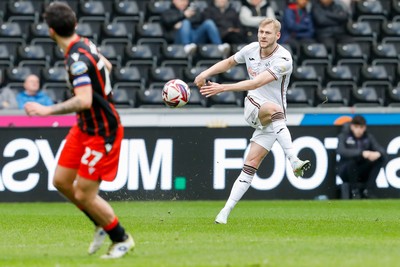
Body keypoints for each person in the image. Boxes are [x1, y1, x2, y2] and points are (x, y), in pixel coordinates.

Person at [24, 2, 134, 259]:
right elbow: (107, 66)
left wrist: (47, 110)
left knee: (85, 193)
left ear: (51, 31)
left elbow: (84, 100)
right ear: (74, 24)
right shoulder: (86, 44)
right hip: (84, 126)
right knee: (61, 181)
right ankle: (99, 222)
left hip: (102, 130)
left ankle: (121, 238)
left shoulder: (76, 60)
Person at [194, 18, 311, 224]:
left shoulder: (284, 59)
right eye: (260, 32)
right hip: (254, 105)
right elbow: (230, 62)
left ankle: (224, 212)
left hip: (274, 120)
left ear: (277, 36)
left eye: (267, 33)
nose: (262, 36)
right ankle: (294, 160)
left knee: (251, 164)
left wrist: (222, 87)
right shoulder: (251, 49)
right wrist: (206, 72)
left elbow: (257, 81)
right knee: (275, 110)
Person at [336, 115, 387, 199]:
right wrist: (361, 153)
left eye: (361, 127)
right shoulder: (344, 136)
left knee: (380, 159)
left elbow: (381, 150)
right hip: (345, 170)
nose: (359, 130)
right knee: (351, 163)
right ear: (352, 126)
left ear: (365, 128)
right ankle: (354, 191)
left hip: (361, 170)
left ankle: (368, 190)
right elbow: (341, 150)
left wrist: (378, 153)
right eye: (356, 127)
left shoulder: (368, 137)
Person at [160, 0, 230, 55]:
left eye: (185, 0)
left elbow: (199, 19)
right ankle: (186, 46)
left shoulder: (192, 10)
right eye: (181, 0)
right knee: (186, 22)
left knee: (208, 23)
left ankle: (219, 46)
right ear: (174, 1)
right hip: (178, 40)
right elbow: (167, 21)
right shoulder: (168, 12)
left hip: (194, 37)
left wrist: (182, 19)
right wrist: (183, 15)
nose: (184, 3)